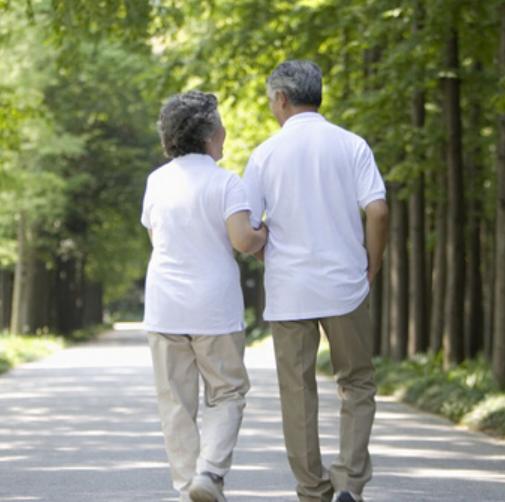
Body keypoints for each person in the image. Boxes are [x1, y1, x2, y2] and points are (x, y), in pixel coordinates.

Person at [243, 60, 389, 502]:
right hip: (345, 285)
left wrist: (266, 238)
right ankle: (349, 482)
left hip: (290, 291)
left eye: (271, 100)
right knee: (357, 383)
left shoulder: (265, 154)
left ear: (282, 99)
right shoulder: (352, 145)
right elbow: (378, 210)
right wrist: (373, 264)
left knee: (297, 390)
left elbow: (248, 232)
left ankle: (313, 489)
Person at [141, 90, 267, 502]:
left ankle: (186, 486)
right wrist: (265, 231)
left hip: (165, 307)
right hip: (214, 308)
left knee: (175, 402)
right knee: (227, 393)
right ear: (210, 134)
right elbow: (244, 240)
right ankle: (210, 474)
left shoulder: (156, 181)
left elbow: (156, 236)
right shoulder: (227, 182)